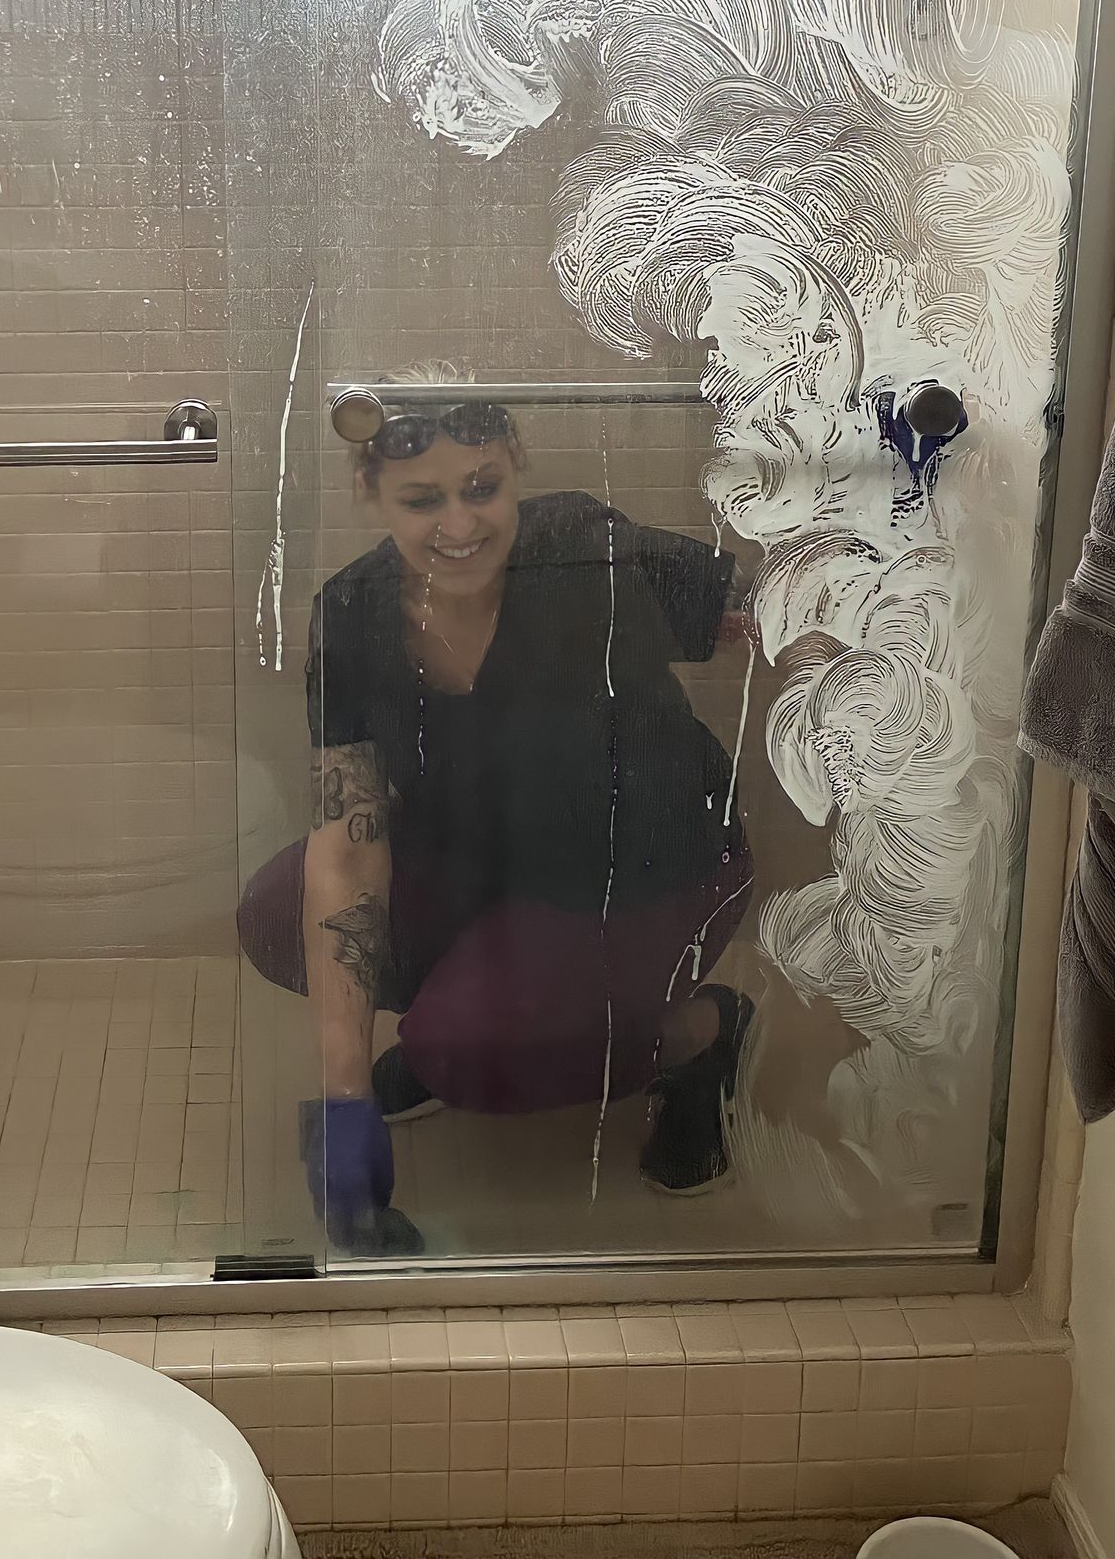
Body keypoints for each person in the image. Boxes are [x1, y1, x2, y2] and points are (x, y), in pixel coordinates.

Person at [237, 398, 756, 1252]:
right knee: (277, 908)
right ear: (370, 493)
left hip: (654, 866)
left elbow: (777, 607)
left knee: (474, 1052)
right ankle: (483, 1009)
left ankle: (697, 1032)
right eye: (422, 500)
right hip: (488, 859)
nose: (459, 524)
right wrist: (343, 1100)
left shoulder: (586, 554)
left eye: (482, 488)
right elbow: (350, 842)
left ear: (516, 469)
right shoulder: (354, 614)